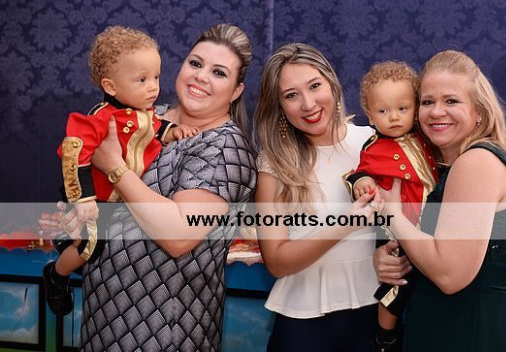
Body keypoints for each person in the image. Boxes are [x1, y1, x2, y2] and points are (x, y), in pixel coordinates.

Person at [66, 23, 256, 352]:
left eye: (219, 73)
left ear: (236, 91)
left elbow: (179, 235)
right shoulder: (148, 117)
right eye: (195, 63)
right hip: (104, 315)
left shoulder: (224, 147)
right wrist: (80, 211)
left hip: (165, 329)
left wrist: (114, 167)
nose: (201, 76)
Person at [377, 50, 506, 351]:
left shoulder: (476, 163)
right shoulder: (460, 166)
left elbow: (449, 274)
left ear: (479, 111)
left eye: (451, 101)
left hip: (470, 335)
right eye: (428, 102)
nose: (436, 111)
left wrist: (392, 215)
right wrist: (392, 261)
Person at [43, 26, 198, 316]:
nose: (153, 87)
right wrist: (83, 199)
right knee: (89, 247)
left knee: (108, 248)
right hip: (93, 196)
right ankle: (56, 275)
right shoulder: (101, 118)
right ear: (111, 86)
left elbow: (156, 128)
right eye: (142, 79)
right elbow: (74, 153)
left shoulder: (144, 113)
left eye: (156, 77)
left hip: (118, 199)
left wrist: (173, 131)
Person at [254, 42, 381, 352]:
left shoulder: (374, 142)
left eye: (314, 86)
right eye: (291, 95)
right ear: (280, 106)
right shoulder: (275, 164)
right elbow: (276, 261)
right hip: (302, 324)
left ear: (332, 83)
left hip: (374, 315)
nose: (308, 104)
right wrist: (347, 224)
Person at [343, 61, 437, 351]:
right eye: (383, 111)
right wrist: (362, 181)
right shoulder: (374, 147)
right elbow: (359, 173)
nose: (394, 117)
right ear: (370, 115)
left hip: (430, 224)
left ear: (416, 108)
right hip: (396, 231)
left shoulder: (426, 138)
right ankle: (385, 335)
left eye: (402, 108)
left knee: (428, 285)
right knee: (396, 285)